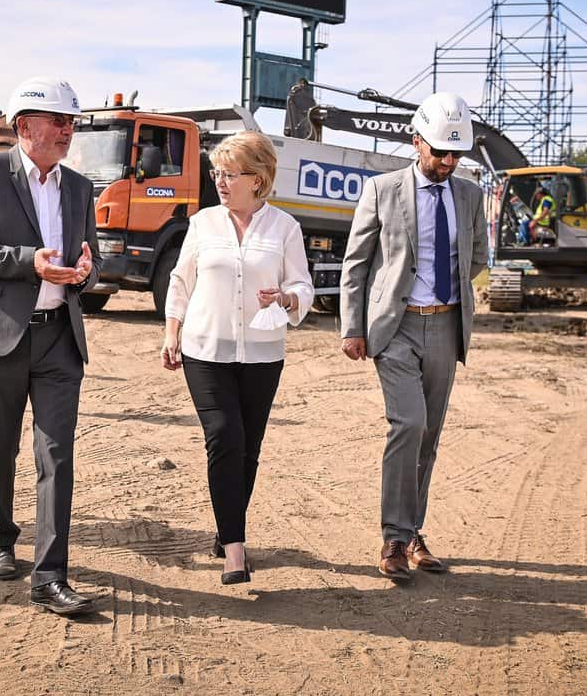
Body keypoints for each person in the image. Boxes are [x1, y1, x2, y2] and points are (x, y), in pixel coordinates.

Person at [0, 77, 101, 617]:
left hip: (60, 336)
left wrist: (84, 273)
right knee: (0, 445)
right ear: (23, 126)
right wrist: (28, 260)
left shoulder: (81, 187)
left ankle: (51, 574)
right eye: (58, 120)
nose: (67, 130)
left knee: (56, 453)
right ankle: (1, 537)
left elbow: (92, 257)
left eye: (71, 122)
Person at [340, 92, 488, 581]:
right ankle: (393, 539)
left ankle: (413, 530)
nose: (448, 162)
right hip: (395, 327)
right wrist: (352, 327)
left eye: (456, 154)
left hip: (446, 326)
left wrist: (451, 291)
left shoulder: (468, 194)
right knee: (407, 424)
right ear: (416, 140)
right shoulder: (382, 190)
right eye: (440, 152)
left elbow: (478, 256)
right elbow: (356, 263)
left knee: (429, 434)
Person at [161, 131, 313, 585]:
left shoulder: (285, 228)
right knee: (224, 437)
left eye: (229, 174)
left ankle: (226, 527)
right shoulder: (203, 223)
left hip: (264, 356)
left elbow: (303, 288)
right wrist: (172, 331)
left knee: (248, 450)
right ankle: (235, 549)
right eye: (217, 173)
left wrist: (285, 297)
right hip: (205, 351)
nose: (220, 182)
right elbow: (180, 281)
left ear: (258, 178)